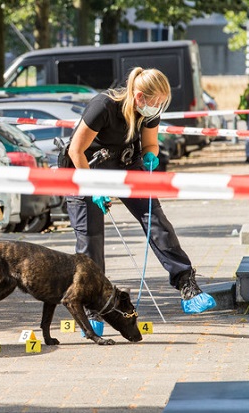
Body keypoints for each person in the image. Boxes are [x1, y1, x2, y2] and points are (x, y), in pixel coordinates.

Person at [66, 67, 216, 322]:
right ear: (138, 97)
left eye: (162, 103)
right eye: (155, 101)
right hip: (85, 169)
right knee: (91, 238)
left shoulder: (149, 113)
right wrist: (92, 189)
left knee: (156, 220)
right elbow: (75, 150)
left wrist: (150, 155)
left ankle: (186, 285)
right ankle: (92, 310)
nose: (158, 108)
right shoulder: (103, 106)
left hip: (125, 166)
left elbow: (150, 143)